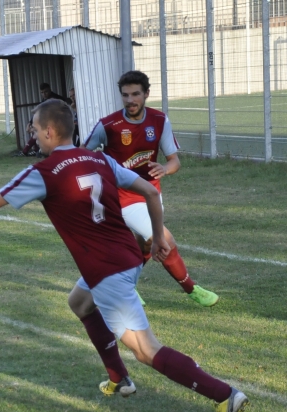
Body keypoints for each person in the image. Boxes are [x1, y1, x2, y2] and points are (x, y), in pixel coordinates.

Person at [0, 101, 247, 412]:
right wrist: (158, 236)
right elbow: (149, 190)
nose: (33, 135)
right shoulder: (99, 158)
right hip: (129, 257)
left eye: (34, 129)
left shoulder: (43, 172)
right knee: (80, 302)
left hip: (108, 271)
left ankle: (224, 395)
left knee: (146, 350)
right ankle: (119, 377)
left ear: (49, 131)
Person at [83, 71, 218, 308]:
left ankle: (125, 286)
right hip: (122, 197)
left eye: (135, 94)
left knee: (145, 245)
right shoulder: (108, 125)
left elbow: (175, 161)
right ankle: (191, 288)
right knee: (163, 238)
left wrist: (164, 168)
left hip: (151, 193)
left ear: (146, 93)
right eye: (125, 95)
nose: (130, 100)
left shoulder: (159, 120)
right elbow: (81, 155)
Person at [21, 83, 71, 156]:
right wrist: (30, 123)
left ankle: (28, 150)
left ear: (50, 90)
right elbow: (39, 111)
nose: (44, 94)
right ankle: (34, 150)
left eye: (46, 92)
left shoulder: (56, 99)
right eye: (42, 92)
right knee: (36, 129)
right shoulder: (44, 100)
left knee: (39, 131)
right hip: (50, 122)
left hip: (58, 123)